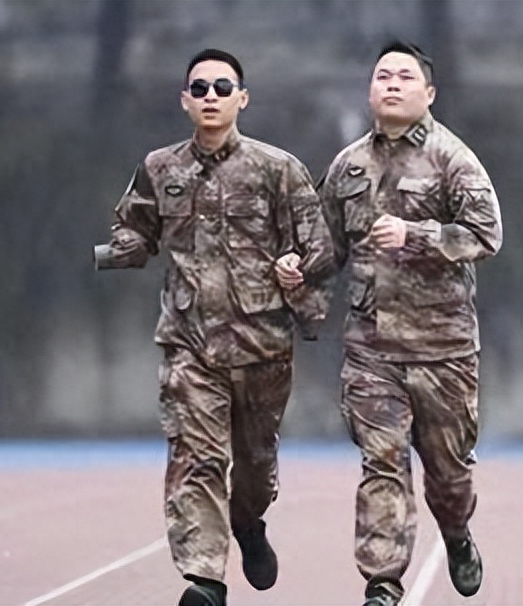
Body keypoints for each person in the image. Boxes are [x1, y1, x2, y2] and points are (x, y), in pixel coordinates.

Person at [93, 48, 332, 606]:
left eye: (222, 88)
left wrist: (297, 274)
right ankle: (205, 580)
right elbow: (135, 228)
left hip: (262, 347)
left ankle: (248, 522)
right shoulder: (160, 168)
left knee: (254, 467)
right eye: (199, 88)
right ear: (184, 100)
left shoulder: (279, 170)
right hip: (190, 344)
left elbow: (318, 247)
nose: (210, 97)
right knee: (195, 458)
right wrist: (112, 251)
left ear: (242, 99)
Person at [318, 40, 503, 606]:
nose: (392, 84)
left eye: (405, 76)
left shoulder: (453, 159)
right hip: (371, 350)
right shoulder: (348, 166)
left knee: (449, 476)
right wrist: (296, 270)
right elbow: (326, 247)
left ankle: (457, 533)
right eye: (383, 76)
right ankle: (383, 582)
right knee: (382, 462)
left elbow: (486, 235)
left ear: (429, 92)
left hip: (443, 349)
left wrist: (416, 234)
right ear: (370, 90)